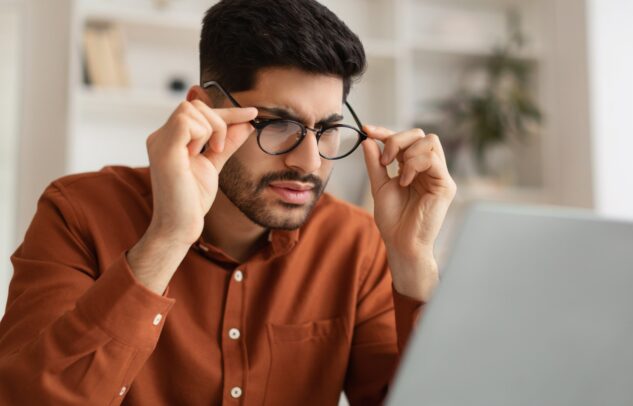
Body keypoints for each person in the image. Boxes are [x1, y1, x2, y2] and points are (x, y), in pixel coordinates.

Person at [0, 0, 456, 404]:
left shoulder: (356, 243)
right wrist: (167, 238)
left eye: (327, 130)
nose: (309, 161)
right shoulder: (78, 213)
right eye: (279, 124)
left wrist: (413, 257)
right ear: (203, 110)